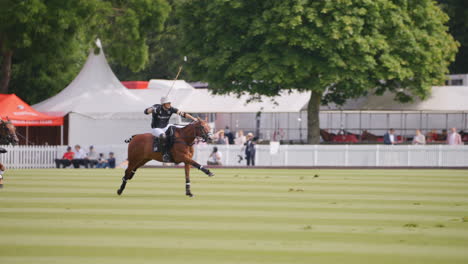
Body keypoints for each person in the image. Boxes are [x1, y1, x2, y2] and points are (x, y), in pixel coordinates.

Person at [144, 96, 197, 162]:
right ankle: (165, 154)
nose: (169, 104)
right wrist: (152, 109)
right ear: (164, 104)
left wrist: (193, 118)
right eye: (168, 103)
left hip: (166, 126)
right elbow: (146, 112)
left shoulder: (171, 109)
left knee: (183, 128)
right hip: (156, 128)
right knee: (163, 136)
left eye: (170, 103)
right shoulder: (156, 107)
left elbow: (183, 114)